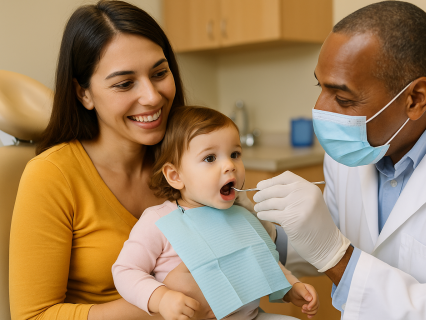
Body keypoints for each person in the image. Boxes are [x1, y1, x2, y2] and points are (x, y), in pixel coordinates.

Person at [9, 2, 274, 320]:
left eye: (160, 73)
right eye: (124, 83)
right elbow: (33, 316)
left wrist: (282, 233)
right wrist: (161, 298)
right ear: (84, 94)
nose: (152, 96)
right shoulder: (51, 175)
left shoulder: (191, 162)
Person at [253, 1, 426, 319]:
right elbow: (333, 236)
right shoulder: (359, 146)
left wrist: (336, 258)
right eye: (320, 87)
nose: (321, 111)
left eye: (343, 99)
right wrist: (268, 234)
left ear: (415, 98)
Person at [112, 106, 319, 320]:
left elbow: (266, 261)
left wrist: (291, 287)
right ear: (175, 175)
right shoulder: (158, 221)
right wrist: (161, 298)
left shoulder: (242, 215)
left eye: (235, 154)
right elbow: (125, 271)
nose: (229, 165)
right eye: (210, 158)